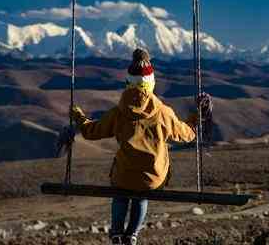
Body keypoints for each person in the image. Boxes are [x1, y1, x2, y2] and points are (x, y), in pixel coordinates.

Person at [70, 48, 203, 245]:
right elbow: (187, 134)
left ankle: (116, 233)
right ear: (151, 85)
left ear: (127, 84)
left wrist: (79, 117)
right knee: (141, 196)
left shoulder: (118, 113)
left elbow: (91, 132)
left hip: (124, 175)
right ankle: (131, 234)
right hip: (152, 177)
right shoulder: (163, 113)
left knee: (121, 194)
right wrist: (195, 118)